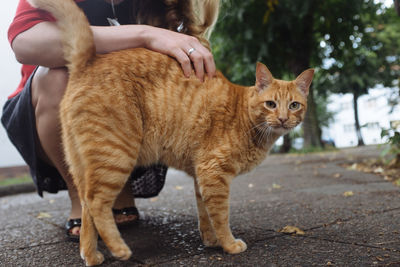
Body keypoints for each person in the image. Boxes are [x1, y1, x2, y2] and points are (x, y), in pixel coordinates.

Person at [2, 0, 219, 240]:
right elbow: (26, 44)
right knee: (59, 75)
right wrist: (144, 35)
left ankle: (119, 181)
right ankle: (82, 195)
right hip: (46, 113)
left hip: (123, 113)